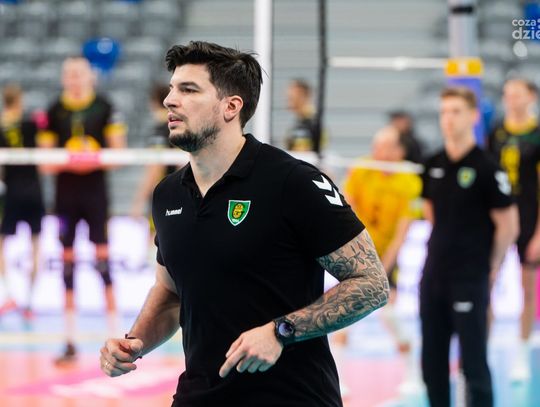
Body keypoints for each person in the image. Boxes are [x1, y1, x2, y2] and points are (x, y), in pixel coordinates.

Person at [100, 41, 389, 407]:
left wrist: (281, 331)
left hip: (292, 398)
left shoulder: (292, 182)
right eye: (172, 89)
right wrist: (135, 342)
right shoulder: (168, 194)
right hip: (199, 395)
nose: (170, 100)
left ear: (231, 107)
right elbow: (171, 292)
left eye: (189, 90)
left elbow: (372, 283)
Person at [421, 87, 518, 407]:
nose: (448, 119)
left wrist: (491, 266)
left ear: (474, 116)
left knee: (474, 363)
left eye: (456, 111)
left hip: (469, 276)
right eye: (444, 112)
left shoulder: (488, 167)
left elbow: (509, 225)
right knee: (432, 363)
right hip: (434, 275)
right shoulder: (433, 163)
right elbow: (430, 211)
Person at [38, 56, 127, 364]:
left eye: (79, 73)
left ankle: (117, 337)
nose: (74, 79)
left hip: (95, 195)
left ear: (91, 77)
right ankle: (69, 339)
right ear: (64, 78)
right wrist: (71, 157)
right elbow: (45, 163)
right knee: (67, 265)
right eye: (69, 74)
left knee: (103, 263)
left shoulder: (105, 107)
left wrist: (93, 156)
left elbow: (118, 155)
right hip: (65, 197)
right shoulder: (53, 111)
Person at [341, 125, 422, 394]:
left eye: (387, 147)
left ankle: (412, 373)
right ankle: (338, 378)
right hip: (357, 251)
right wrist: (357, 256)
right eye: (377, 146)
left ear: (399, 151)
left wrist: (381, 267)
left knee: (390, 315)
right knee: (343, 314)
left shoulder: (409, 180)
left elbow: (402, 234)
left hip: (386, 255)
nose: (380, 152)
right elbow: (346, 211)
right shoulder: (361, 169)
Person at [486, 78, 540, 381]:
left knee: (527, 287)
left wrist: (539, 235)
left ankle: (521, 353)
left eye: (517, 94)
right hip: (497, 219)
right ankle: (485, 348)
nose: (511, 99)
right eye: (507, 94)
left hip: (529, 217)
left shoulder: (537, 133)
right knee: (488, 282)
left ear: (531, 97)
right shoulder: (497, 132)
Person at [0, 84, 45, 319]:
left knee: (2, 245)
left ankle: (9, 296)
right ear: (20, 100)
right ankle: (29, 302)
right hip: (34, 191)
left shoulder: (1, 126)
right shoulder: (31, 124)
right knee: (35, 246)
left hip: (11, 193)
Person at [130, 84, 187, 266]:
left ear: (154, 103)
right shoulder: (182, 126)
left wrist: (139, 200)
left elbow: (154, 169)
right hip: (181, 193)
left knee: (157, 244)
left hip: (164, 195)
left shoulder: (160, 130)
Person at [284, 78, 324, 154]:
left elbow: (302, 153)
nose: (288, 102)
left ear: (302, 96)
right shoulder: (302, 120)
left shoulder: (309, 123)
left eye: (291, 98)